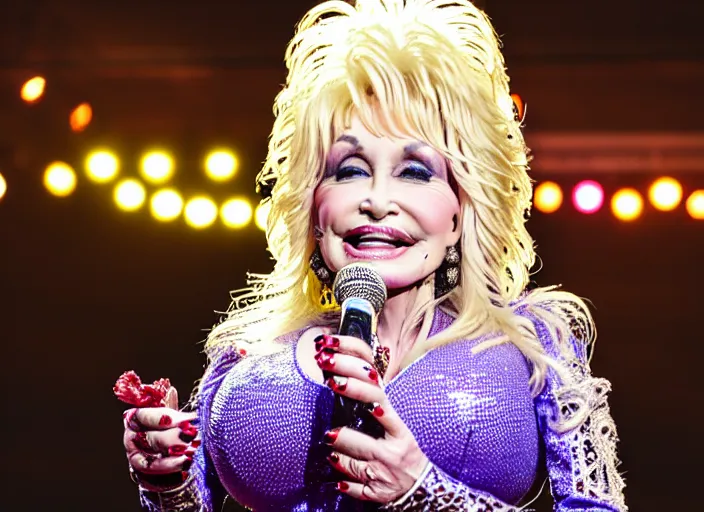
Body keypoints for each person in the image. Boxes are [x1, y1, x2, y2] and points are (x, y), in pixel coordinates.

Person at [120, 1, 628, 510]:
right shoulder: (246, 358)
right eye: (350, 169)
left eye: (414, 172)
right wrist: (167, 483)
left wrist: (425, 494)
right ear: (315, 209)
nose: (378, 200)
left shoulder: (534, 346)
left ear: (459, 211)